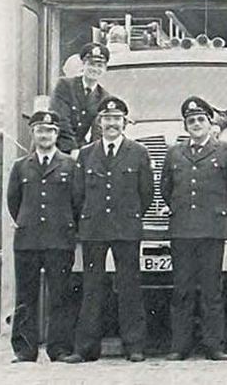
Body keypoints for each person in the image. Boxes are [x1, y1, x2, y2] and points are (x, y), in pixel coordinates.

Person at [64, 97, 153, 363]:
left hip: (126, 228)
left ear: (125, 122)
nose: (112, 123)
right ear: (99, 122)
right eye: (107, 118)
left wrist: (130, 215)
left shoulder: (138, 152)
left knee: (129, 286)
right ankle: (86, 348)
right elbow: (78, 194)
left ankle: (134, 346)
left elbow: (146, 193)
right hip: (94, 228)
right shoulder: (86, 154)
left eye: (116, 119)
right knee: (92, 287)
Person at [160, 97, 227, 361]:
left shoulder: (226, 151)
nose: (196, 124)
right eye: (191, 121)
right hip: (182, 230)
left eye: (201, 119)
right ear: (185, 126)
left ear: (210, 124)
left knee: (212, 290)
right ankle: (180, 346)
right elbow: (166, 189)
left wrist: (220, 214)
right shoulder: (175, 153)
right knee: (182, 289)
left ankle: (214, 346)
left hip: (212, 230)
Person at [7, 110, 80, 363]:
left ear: (57, 135)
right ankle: (24, 350)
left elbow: (77, 201)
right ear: (33, 134)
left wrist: (67, 226)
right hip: (28, 240)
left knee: (60, 296)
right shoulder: (20, 166)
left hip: (59, 240)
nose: (45, 135)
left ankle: (59, 349)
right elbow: (14, 202)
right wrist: (27, 223)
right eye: (40, 130)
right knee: (25, 297)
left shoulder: (70, 165)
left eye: (49, 131)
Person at [50, 42, 112, 155]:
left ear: (105, 69)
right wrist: (72, 149)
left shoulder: (104, 97)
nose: (95, 69)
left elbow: (98, 132)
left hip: (81, 150)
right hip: (55, 147)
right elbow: (61, 120)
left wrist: (92, 155)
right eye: (91, 64)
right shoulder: (65, 86)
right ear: (83, 64)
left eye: (100, 66)